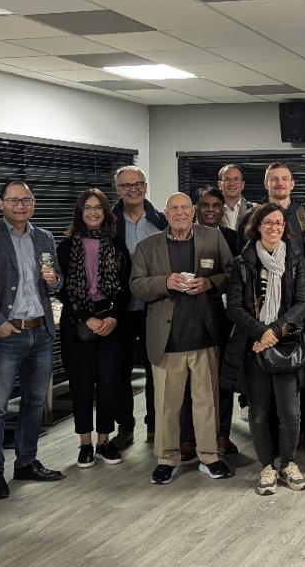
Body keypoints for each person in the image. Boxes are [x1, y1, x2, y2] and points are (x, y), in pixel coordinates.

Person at [130, 193, 235, 484]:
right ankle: (167, 459)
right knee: (167, 405)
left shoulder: (212, 238)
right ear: (165, 213)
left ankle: (209, 456)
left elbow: (230, 273)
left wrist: (209, 283)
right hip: (167, 340)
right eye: (174, 208)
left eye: (184, 208)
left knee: (206, 402)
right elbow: (136, 285)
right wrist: (165, 282)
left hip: (205, 336)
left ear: (193, 211)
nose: (180, 213)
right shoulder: (147, 247)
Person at [0, 180, 65, 501]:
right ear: (1, 204)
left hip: (40, 331)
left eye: (26, 200)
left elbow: (55, 285)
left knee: (35, 402)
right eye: (14, 201)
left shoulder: (45, 237)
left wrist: (54, 281)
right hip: (6, 334)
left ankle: (26, 461)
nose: (21, 206)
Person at [226, 204, 305, 496]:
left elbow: (303, 304)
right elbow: (234, 307)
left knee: (290, 413)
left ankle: (288, 463)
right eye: (268, 223)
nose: (274, 228)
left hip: (285, 345)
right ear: (257, 226)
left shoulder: (296, 261)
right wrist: (260, 332)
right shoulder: (242, 262)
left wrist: (274, 331)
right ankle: (266, 466)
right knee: (259, 412)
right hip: (253, 346)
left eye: (279, 223)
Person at [56, 189, 130, 468]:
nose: (93, 212)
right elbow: (61, 289)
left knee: (109, 384)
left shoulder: (118, 245)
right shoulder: (64, 247)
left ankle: (104, 441)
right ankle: (85, 443)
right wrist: (86, 317)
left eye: (98, 207)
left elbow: (126, 287)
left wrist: (113, 317)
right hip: (78, 324)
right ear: (80, 212)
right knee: (82, 386)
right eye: (87, 208)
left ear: (106, 212)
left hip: (112, 324)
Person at [112, 164, 166, 446]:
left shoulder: (161, 221)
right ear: (117, 190)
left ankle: (154, 425)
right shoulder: (108, 223)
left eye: (137, 184)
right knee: (120, 371)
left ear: (145, 187)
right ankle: (125, 426)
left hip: (153, 307)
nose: (132, 190)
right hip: (119, 310)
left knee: (155, 369)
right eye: (125, 186)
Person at [187, 186, 238, 456]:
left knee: (223, 379)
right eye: (204, 205)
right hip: (187, 318)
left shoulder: (232, 238)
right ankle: (188, 437)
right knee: (189, 382)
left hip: (223, 317)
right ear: (196, 208)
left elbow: (237, 274)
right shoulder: (183, 235)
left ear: (222, 209)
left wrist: (212, 282)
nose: (210, 210)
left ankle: (222, 434)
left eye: (215, 205)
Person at [218, 163, 255, 231]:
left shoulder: (255, 210)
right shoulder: (210, 211)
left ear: (242, 184)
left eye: (236, 179)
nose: (232, 183)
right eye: (227, 179)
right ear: (220, 185)